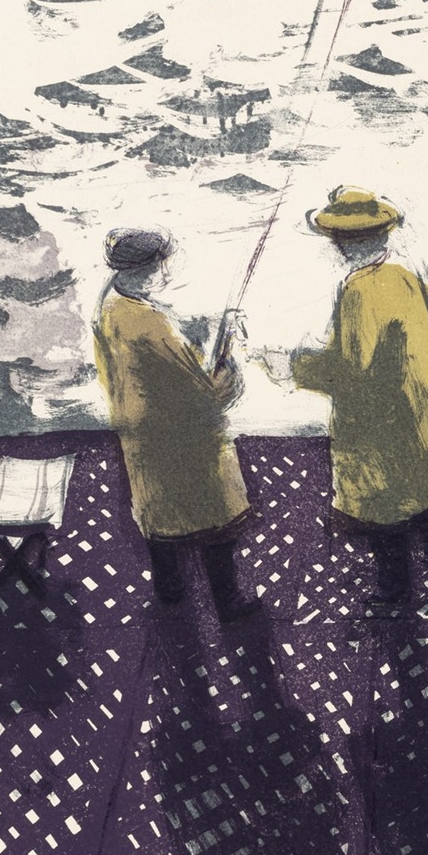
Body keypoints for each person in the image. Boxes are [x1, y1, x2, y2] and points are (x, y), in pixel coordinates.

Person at [282, 186, 428, 606]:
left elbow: (352, 372)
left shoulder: (358, 290)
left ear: (341, 243)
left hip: (379, 433)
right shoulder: (405, 276)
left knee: (387, 517)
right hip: (421, 420)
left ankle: (396, 595)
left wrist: (295, 366)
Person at [92, 227, 262, 621]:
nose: (167, 272)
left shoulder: (111, 305)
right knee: (214, 523)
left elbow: (158, 359)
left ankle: (169, 591)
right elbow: (208, 394)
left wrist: (200, 329)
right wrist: (231, 355)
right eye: (162, 265)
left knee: (158, 515)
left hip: (141, 433)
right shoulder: (150, 324)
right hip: (183, 441)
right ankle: (228, 604)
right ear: (148, 269)